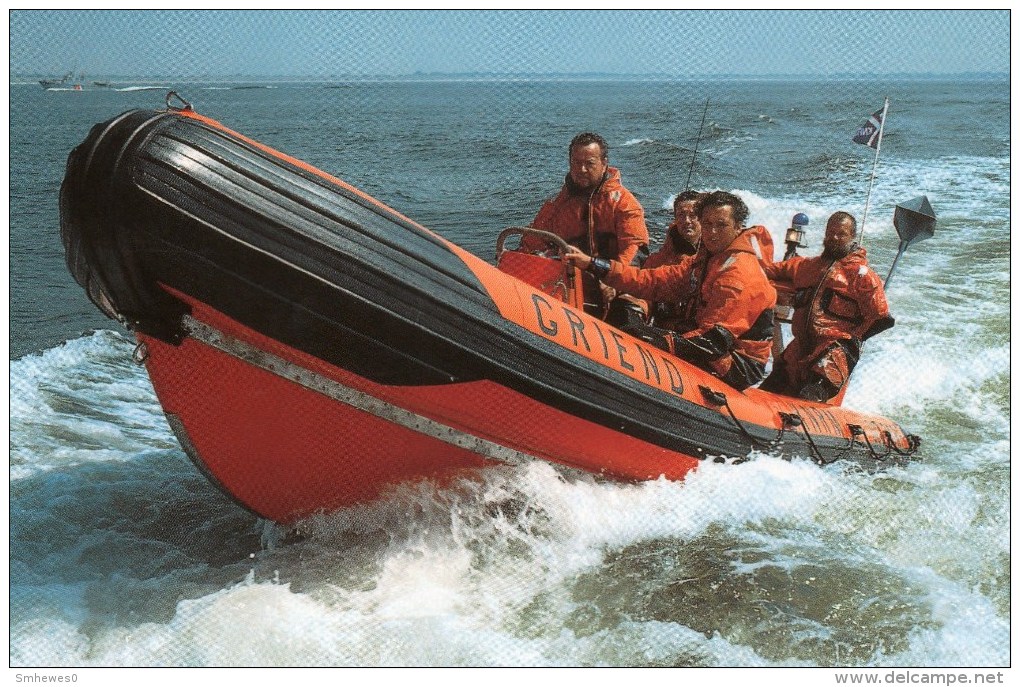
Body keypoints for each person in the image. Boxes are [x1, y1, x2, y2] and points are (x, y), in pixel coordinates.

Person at [564, 191, 776, 391]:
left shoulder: (739, 274)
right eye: (708, 224)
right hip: (705, 339)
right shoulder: (706, 260)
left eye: (721, 225)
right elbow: (651, 280)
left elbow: (712, 341)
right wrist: (594, 265)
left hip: (736, 361)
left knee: (644, 342)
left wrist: (657, 342)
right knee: (635, 333)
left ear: (738, 227)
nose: (711, 233)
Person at [760, 211, 893, 403]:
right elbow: (772, 270)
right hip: (801, 347)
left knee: (812, 395)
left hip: (833, 350)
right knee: (768, 390)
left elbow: (880, 317)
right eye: (830, 233)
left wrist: (851, 341)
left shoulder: (862, 276)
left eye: (841, 234)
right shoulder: (808, 267)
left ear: (852, 237)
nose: (834, 238)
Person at [521, 132, 649, 267]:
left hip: (611, 278)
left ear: (604, 164)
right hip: (567, 279)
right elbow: (532, 242)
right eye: (576, 163)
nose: (582, 169)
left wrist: (614, 280)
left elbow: (635, 251)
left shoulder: (623, 203)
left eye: (589, 163)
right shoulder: (557, 203)